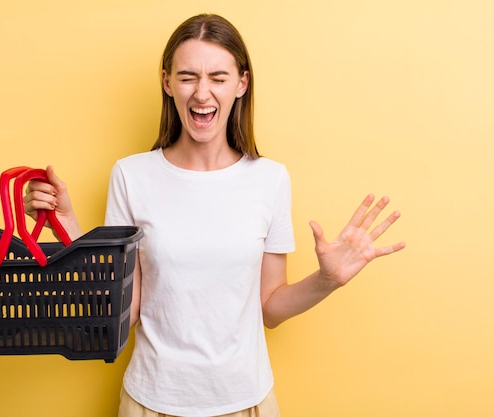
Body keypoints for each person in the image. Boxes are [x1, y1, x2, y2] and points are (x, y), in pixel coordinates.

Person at [24, 13, 405, 417]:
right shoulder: (131, 175)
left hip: (246, 402)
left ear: (241, 84)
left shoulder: (270, 179)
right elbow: (123, 312)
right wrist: (69, 232)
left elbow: (270, 308)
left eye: (218, 78)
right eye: (188, 76)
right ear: (167, 82)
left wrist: (327, 280)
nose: (202, 93)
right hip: (152, 401)